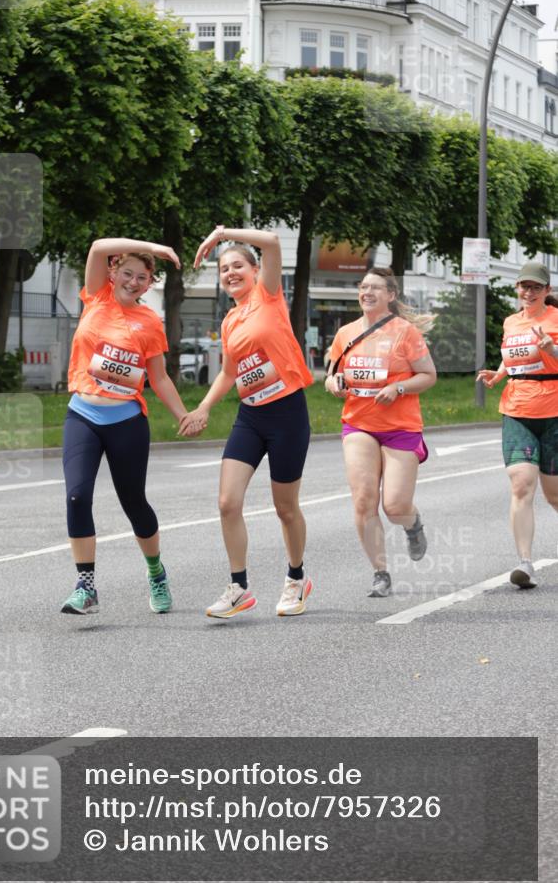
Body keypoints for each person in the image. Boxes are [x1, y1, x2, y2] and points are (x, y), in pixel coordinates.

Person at [179, 226, 314, 619]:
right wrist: (202, 408)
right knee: (227, 502)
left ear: (255, 271)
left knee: (285, 508)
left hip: (287, 412)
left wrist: (221, 234)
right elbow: (228, 373)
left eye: (238, 265)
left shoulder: (269, 297)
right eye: (224, 269)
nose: (230, 272)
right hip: (250, 416)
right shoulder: (230, 321)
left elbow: (271, 241)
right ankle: (239, 587)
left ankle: (296, 578)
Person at [60, 238, 187, 616]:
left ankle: (156, 572)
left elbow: (159, 378)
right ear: (113, 273)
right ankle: (86, 587)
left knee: (134, 503)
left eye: (142, 277)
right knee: (77, 497)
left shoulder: (150, 322)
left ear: (149, 285)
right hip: (82, 413)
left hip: (127, 421)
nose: (133, 281)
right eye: (127, 273)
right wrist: (156, 248)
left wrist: (183, 415)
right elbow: (99, 246)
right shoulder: (97, 296)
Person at [325, 266, 437, 597]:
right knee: (363, 500)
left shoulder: (405, 333)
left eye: (375, 288)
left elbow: (428, 375)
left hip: (400, 427)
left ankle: (412, 525)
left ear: (391, 295)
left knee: (395, 506)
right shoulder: (345, 333)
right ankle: (381, 573)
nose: (367, 292)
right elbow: (331, 375)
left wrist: (399, 388)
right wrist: (334, 384)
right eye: (363, 287)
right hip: (359, 423)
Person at [477, 261, 558, 589]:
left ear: (547, 291)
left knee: (554, 494)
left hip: (553, 410)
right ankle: (525, 563)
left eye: (536, 287)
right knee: (521, 483)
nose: (528, 292)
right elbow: (513, 356)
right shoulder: (511, 322)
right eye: (524, 286)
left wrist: (551, 347)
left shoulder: (555, 319)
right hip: (516, 408)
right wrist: (500, 373)